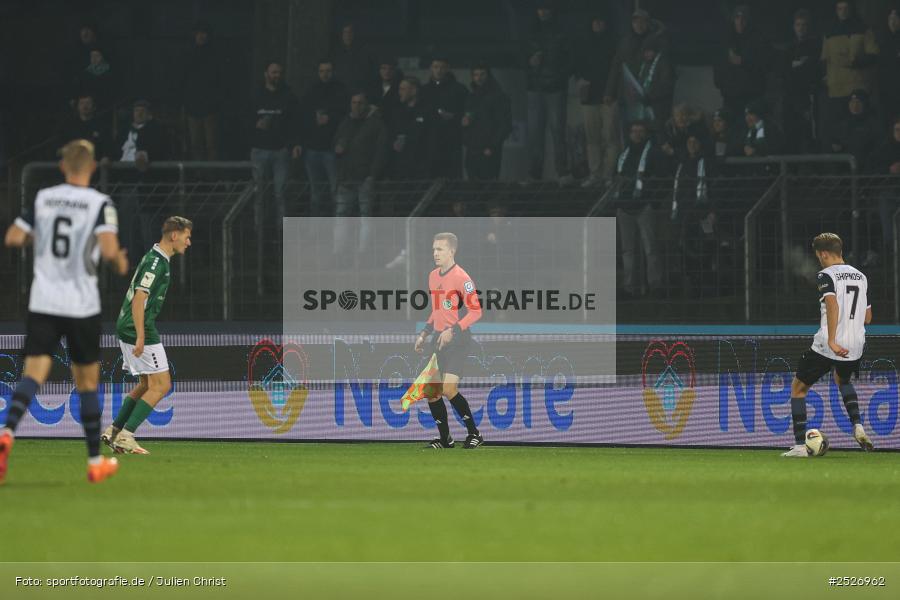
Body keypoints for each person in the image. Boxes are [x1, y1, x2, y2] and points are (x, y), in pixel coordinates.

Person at [0, 139, 128, 484]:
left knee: (33, 374)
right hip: (81, 304)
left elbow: (12, 236)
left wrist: (36, 238)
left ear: (62, 168)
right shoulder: (100, 203)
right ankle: (93, 461)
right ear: (92, 168)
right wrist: (118, 260)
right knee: (87, 382)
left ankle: (7, 431)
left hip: (44, 301)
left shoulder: (43, 199)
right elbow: (108, 248)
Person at [102, 216, 193, 455]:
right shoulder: (156, 263)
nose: (189, 242)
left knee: (145, 384)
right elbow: (140, 298)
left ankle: (114, 430)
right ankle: (126, 436)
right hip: (137, 328)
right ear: (174, 235)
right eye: (187, 236)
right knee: (162, 385)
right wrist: (141, 335)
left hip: (129, 326)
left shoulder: (156, 259)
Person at [783, 233, 874, 457]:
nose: (819, 261)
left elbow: (832, 305)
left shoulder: (826, 275)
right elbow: (868, 317)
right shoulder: (861, 277)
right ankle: (858, 425)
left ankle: (799, 447)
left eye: (818, 256)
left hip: (829, 343)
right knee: (842, 380)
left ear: (823, 254)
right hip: (855, 345)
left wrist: (833, 339)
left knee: (798, 389)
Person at [414, 232, 483, 449]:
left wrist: (453, 330)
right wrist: (424, 333)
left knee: (448, 389)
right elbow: (436, 310)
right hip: (439, 338)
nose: (435, 253)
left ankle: (475, 434)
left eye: (440, 249)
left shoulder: (462, 278)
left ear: (452, 251)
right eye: (434, 249)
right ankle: (446, 439)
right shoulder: (433, 276)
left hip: (458, 339)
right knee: (431, 393)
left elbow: (476, 311)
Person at [614, 120, 667, 298]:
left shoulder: (654, 153)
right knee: (627, 250)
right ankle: (629, 287)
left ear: (646, 133)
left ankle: (655, 286)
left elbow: (661, 180)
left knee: (650, 248)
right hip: (624, 207)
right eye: (634, 131)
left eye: (640, 131)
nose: (637, 134)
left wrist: (653, 202)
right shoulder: (623, 154)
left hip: (644, 206)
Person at [332, 91, 387, 260]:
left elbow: (380, 151)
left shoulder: (376, 124)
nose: (356, 106)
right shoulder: (346, 122)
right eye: (354, 102)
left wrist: (372, 174)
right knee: (342, 217)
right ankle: (340, 253)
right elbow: (336, 142)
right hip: (346, 176)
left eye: (360, 103)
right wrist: (338, 147)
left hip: (364, 177)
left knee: (365, 217)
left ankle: (363, 253)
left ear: (367, 104)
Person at [525, 3, 573, 184]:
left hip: (553, 88)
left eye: (546, 8)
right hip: (536, 87)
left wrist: (559, 77)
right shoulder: (530, 31)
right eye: (540, 8)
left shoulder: (561, 32)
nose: (543, 12)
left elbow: (570, 59)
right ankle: (535, 174)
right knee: (536, 133)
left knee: (557, 131)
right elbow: (520, 55)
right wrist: (530, 63)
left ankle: (561, 171)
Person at [250, 61, 302, 230]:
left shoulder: (289, 95)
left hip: (281, 151)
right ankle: (259, 228)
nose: (276, 76)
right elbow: (245, 119)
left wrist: (294, 144)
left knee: (281, 193)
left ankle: (281, 230)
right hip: (259, 149)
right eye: (273, 72)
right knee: (259, 193)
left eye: (279, 72)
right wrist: (255, 125)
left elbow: (295, 122)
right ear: (266, 73)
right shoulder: (256, 95)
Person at [821, 1, 879, 148]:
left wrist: (858, 61)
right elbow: (824, 59)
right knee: (839, 131)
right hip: (836, 89)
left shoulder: (863, 29)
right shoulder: (829, 32)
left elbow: (874, 55)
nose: (843, 11)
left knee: (859, 130)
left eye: (846, 8)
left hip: (857, 89)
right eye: (840, 8)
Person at [298, 59, 347, 217]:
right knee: (316, 193)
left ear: (333, 72)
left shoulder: (341, 90)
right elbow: (303, 117)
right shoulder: (311, 91)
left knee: (335, 191)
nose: (325, 74)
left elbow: (346, 116)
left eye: (328, 70)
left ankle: (337, 228)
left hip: (331, 148)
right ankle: (317, 229)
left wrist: (330, 118)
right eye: (322, 71)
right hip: (313, 149)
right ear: (318, 72)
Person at [574, 12, 618, 187]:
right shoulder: (583, 43)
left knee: (611, 137)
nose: (598, 25)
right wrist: (580, 80)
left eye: (601, 21)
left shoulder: (613, 43)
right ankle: (595, 174)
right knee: (592, 138)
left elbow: (618, 69)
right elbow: (576, 65)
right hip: (589, 98)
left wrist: (612, 91)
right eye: (595, 21)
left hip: (609, 97)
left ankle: (608, 174)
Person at [713, 5, 769, 130]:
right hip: (730, 97)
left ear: (748, 20)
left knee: (749, 130)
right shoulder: (726, 39)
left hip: (750, 97)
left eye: (743, 18)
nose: (740, 21)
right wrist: (721, 84)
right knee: (730, 129)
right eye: (737, 17)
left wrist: (743, 61)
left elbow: (763, 63)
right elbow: (718, 64)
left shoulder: (757, 39)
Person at [780, 9, 822, 154]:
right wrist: (797, 66)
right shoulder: (789, 48)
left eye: (804, 25)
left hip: (807, 96)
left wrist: (799, 66)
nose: (801, 28)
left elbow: (815, 69)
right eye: (798, 25)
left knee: (808, 134)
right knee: (791, 134)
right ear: (793, 26)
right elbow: (783, 70)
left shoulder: (816, 45)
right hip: (790, 97)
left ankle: (810, 170)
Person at [180, 21, 223, 160]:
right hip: (193, 108)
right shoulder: (187, 54)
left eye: (204, 33)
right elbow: (182, 79)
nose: (201, 36)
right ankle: (199, 177)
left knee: (212, 144)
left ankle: (211, 178)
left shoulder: (215, 54)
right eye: (198, 33)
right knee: (195, 144)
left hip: (211, 108)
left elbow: (220, 80)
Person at [462, 62, 512, 181]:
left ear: (488, 75)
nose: (478, 78)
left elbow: (505, 125)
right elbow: (467, 121)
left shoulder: (499, 96)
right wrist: (465, 130)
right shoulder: (471, 97)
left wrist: (492, 146)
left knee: (488, 188)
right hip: (472, 150)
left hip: (489, 149)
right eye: (475, 75)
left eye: (482, 74)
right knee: (473, 187)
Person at [420, 57, 468, 178]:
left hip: (452, 140)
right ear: (431, 68)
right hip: (429, 141)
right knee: (430, 175)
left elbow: (467, 114)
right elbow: (419, 115)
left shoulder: (459, 89)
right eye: (436, 67)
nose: (439, 70)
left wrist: (454, 117)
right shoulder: (424, 90)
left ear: (447, 68)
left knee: (451, 176)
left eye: (442, 67)